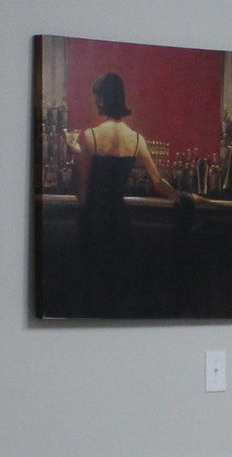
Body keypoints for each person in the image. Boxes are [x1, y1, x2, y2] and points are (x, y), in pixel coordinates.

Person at [66, 69, 182, 315]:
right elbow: (158, 181)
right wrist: (182, 198)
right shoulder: (136, 139)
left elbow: (82, 193)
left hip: (93, 221)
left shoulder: (90, 136)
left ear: (104, 98)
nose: (95, 102)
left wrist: (77, 152)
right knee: (116, 288)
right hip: (119, 222)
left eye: (98, 97)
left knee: (91, 288)